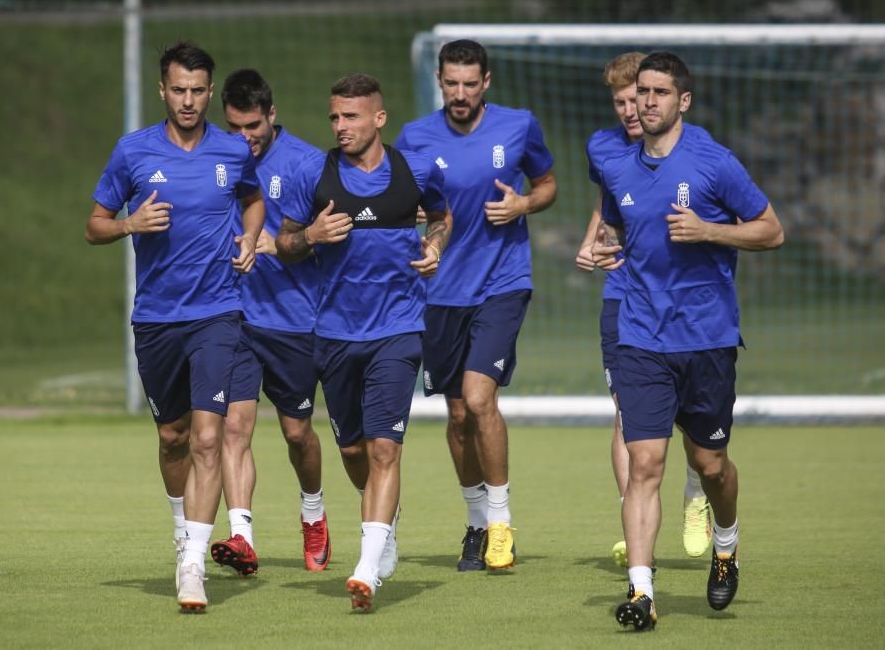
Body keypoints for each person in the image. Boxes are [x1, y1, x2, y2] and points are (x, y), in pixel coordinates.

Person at [592, 51, 784, 631]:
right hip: (641, 335)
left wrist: (709, 231)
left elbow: (772, 231)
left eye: (659, 93)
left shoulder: (713, 163)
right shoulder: (618, 166)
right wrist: (605, 246)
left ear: (683, 101)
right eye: (642, 92)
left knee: (710, 463)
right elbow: (616, 227)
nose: (647, 102)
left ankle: (726, 543)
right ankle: (642, 593)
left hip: (706, 338)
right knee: (644, 460)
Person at [85, 42, 264, 611]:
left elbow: (253, 199)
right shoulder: (132, 152)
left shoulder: (233, 151)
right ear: (163, 91)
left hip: (217, 313)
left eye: (197, 90)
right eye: (178, 90)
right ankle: (181, 527)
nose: (188, 101)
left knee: (209, 438)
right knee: (173, 438)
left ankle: (193, 563)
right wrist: (130, 223)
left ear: (210, 93)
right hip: (157, 319)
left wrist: (250, 236)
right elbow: (94, 225)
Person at [275, 73, 451, 612]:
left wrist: (435, 245)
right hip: (333, 335)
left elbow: (443, 215)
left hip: (397, 332)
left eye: (350, 117)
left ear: (379, 118)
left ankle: (367, 569)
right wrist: (310, 237)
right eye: (334, 117)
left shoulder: (414, 170)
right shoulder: (315, 173)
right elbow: (283, 243)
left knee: (384, 448)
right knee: (353, 451)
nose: (340, 126)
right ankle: (386, 522)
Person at [395, 39, 556, 571]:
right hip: (438, 292)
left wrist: (525, 203)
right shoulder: (414, 138)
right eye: (451, 83)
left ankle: (502, 523)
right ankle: (474, 523)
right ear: (439, 81)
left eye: (470, 83)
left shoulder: (519, 125)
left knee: (479, 397)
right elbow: (403, 204)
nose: (460, 93)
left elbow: (548, 184)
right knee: (458, 412)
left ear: (486, 82)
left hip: (502, 283)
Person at [574, 52, 713, 568]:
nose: (630, 110)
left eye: (638, 99)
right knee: (626, 413)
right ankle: (636, 528)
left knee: (692, 424)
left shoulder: (695, 153)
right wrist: (593, 244)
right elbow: (610, 205)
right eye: (619, 102)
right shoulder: (603, 148)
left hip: (685, 303)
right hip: (624, 298)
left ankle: (697, 489)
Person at [210, 68, 330, 575]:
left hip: (292, 319)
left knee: (297, 433)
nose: (244, 138)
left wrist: (279, 247)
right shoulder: (213, 156)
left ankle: (313, 512)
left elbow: (328, 238)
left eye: (253, 126)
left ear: (272, 115)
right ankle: (242, 538)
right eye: (235, 127)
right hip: (232, 315)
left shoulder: (306, 163)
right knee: (233, 428)